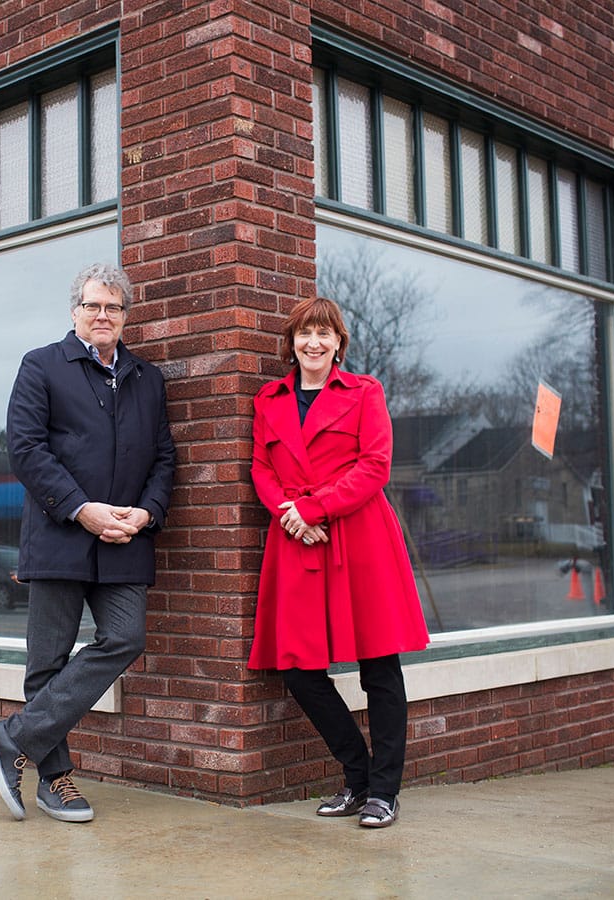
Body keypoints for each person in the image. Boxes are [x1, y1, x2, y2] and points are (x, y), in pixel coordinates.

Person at [0, 262, 176, 823]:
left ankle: (12, 737)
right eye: (93, 305)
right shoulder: (41, 366)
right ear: (75, 312)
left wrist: (147, 512)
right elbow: (26, 449)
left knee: (125, 636)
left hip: (125, 538)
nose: (103, 315)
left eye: (114, 307)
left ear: (125, 316)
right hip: (60, 534)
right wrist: (81, 510)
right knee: (48, 661)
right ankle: (56, 781)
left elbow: (164, 458)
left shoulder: (147, 379)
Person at [249, 296, 429, 829]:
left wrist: (312, 507)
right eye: (305, 333)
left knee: (379, 666)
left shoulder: (364, 392)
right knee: (298, 668)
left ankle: (384, 791)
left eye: (324, 334)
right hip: (297, 538)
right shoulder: (269, 398)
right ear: (291, 342)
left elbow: (375, 466)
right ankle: (358, 776)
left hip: (358, 535)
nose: (314, 343)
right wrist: (290, 514)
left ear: (339, 344)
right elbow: (260, 466)